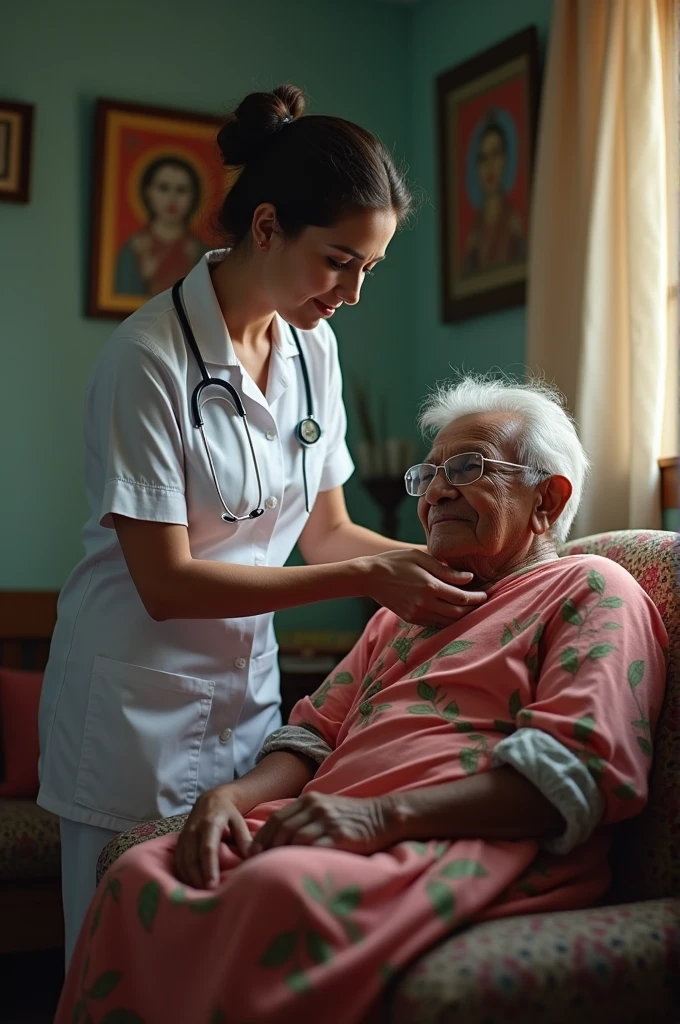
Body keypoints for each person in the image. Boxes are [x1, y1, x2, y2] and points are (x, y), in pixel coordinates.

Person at [54, 375, 667, 1024]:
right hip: (345, 825)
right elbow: (312, 736)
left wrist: (379, 819)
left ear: (548, 497)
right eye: (427, 476)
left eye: (467, 467)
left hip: (467, 838)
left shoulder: (591, 588)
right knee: (141, 869)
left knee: (277, 888)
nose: (436, 491)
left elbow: (573, 778)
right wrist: (232, 796)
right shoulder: (406, 611)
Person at [38, 84, 487, 966]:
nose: (354, 293)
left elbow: (328, 533)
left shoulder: (313, 347)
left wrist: (476, 560)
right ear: (269, 226)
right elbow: (166, 584)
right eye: (339, 262)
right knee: (117, 961)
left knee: (214, 963)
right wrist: (369, 578)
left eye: (370, 269)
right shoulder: (147, 361)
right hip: (133, 714)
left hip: (248, 713)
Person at [114, 155, 209, 297]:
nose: (172, 198)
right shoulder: (134, 250)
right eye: (163, 188)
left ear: (193, 196)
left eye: (181, 190)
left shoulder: (201, 252)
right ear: (148, 193)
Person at [463, 110, 527, 276]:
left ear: (505, 159)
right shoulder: (475, 233)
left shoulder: (513, 221)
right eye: (483, 158)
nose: (489, 166)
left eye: (495, 154)